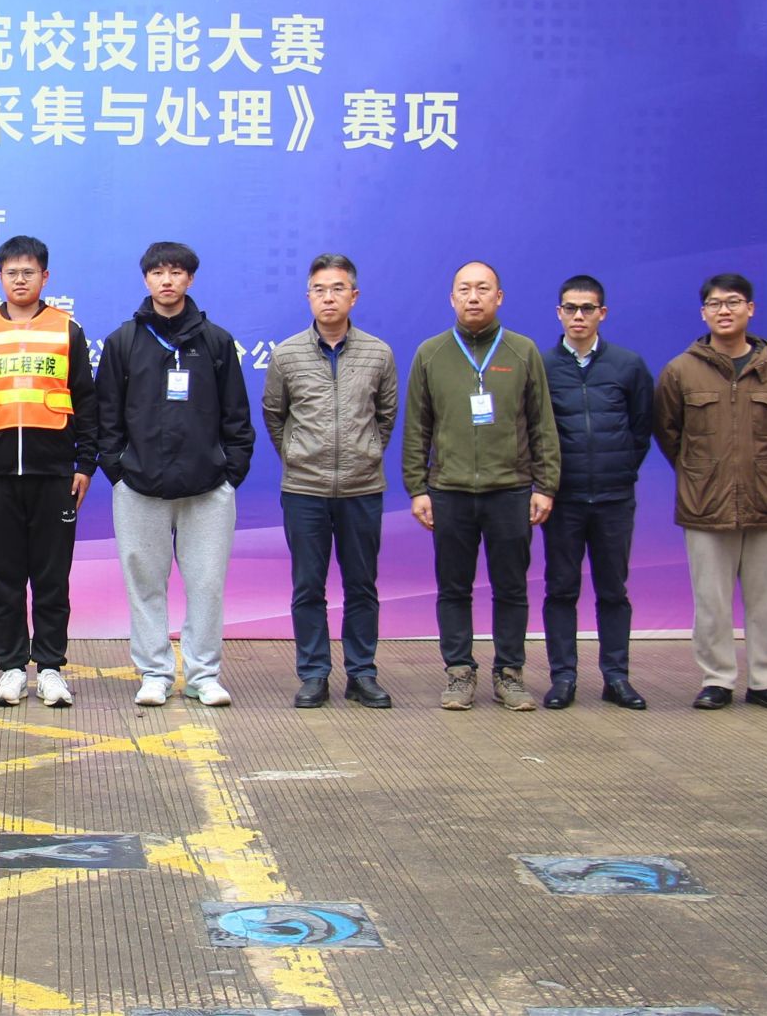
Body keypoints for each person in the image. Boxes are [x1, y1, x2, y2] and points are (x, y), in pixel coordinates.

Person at [98, 241, 254, 707]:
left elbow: (237, 416)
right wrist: (118, 471)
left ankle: (204, 675)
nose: (167, 280)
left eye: (176, 272)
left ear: (190, 279)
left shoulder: (216, 342)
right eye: (158, 272)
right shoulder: (123, 341)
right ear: (145, 279)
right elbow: (107, 416)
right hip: (139, 486)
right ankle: (155, 673)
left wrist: (230, 473)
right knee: (145, 583)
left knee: (206, 584)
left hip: (207, 488)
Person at [402, 261, 560, 712]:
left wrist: (545, 485)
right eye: (465, 289)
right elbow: (417, 428)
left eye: (483, 289)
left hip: (511, 489)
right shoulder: (431, 353)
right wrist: (417, 488)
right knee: (454, 588)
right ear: (452, 298)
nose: (474, 297)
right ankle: (458, 672)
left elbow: (542, 424)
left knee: (511, 588)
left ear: (499, 297)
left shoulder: (522, 351)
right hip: (448, 490)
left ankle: (509, 673)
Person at [0, 235, 98, 708]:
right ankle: (12, 668)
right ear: (0, 276)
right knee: (5, 577)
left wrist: (84, 463)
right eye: (12, 272)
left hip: (55, 473)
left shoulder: (66, 329)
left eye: (29, 272)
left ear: (45, 277)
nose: (20, 280)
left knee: (52, 578)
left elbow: (86, 399)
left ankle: (51, 667)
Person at [654, 273, 767, 713]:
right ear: (703, 313)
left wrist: (762, 471)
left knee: (766, 602)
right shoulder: (680, 370)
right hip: (705, 504)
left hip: (765, 502)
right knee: (711, 602)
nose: (724, 310)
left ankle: (766, 681)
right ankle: (717, 680)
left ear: (750, 309)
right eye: (715, 304)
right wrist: (701, 475)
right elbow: (668, 432)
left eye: (733, 302)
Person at [261, 253, 400, 709]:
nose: (328, 297)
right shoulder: (287, 354)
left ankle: (362, 673)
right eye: (319, 290)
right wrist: (297, 456)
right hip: (304, 490)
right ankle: (314, 673)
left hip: (362, 489)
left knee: (362, 586)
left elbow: (385, 416)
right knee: (308, 587)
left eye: (338, 289)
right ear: (308, 297)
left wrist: (366, 453)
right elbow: (275, 415)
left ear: (353, 296)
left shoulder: (378, 353)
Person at [540, 274, 655, 710]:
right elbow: (534, 431)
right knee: (561, 590)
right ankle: (563, 678)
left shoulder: (628, 365)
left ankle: (616, 677)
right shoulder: (542, 366)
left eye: (587, 308)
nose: (578, 316)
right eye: (570, 308)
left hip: (613, 499)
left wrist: (619, 469)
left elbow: (641, 429)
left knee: (613, 591)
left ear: (602, 313)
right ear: (559, 313)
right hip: (562, 499)